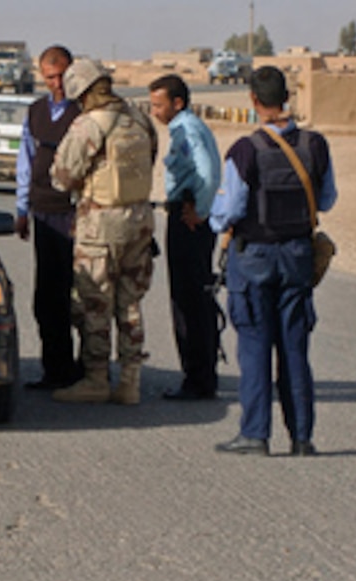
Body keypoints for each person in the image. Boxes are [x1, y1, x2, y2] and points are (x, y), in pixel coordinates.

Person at [209, 66, 337, 456]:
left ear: (252, 100)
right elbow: (327, 200)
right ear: (287, 98)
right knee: (295, 349)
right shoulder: (315, 145)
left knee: (254, 346)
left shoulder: (245, 150)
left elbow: (229, 210)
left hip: (254, 258)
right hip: (297, 255)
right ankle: (302, 437)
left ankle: (255, 433)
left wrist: (216, 222)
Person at [50, 58, 158, 405]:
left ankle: (96, 378)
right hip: (140, 219)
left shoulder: (89, 126)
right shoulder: (139, 118)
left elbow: (62, 176)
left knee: (95, 302)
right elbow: (150, 158)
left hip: (101, 224)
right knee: (130, 303)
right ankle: (130, 381)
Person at [148, 73, 222, 401]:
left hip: (188, 216)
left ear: (177, 103)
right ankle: (200, 374)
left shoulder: (187, 129)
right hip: (187, 213)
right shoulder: (185, 127)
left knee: (189, 301)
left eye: (158, 105)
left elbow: (206, 171)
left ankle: (197, 378)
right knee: (194, 299)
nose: (154, 112)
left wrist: (202, 210)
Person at [14, 45, 83, 390]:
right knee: (48, 297)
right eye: (50, 76)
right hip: (43, 213)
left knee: (82, 297)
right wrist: (22, 209)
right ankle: (54, 369)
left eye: (62, 76)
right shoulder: (36, 112)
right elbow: (25, 160)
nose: (57, 83)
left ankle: (85, 372)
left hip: (76, 215)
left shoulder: (85, 112)